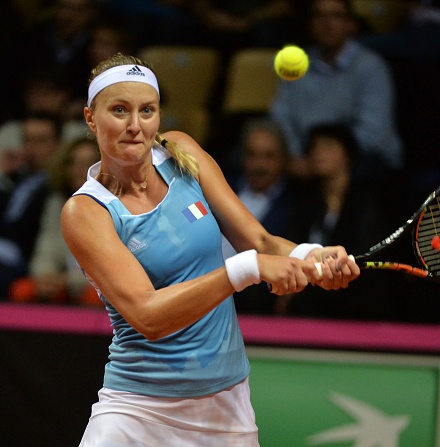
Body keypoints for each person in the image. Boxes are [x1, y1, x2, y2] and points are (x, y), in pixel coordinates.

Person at [62, 53, 359, 445]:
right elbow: (149, 317)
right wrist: (247, 269)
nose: (135, 126)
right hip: (137, 415)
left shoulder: (180, 152)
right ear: (90, 118)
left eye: (147, 110)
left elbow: (259, 240)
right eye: (119, 111)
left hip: (227, 408)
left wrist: (310, 255)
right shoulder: (86, 211)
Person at [281, 122, 405, 320]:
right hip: (309, 305)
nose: (318, 153)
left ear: (348, 155)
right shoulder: (305, 203)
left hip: (356, 305)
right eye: (314, 148)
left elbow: (370, 264)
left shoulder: (367, 202)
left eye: (328, 146)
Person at [269, 0, 404, 181]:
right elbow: (280, 117)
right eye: (320, 16)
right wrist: (295, 156)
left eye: (336, 16)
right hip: (305, 158)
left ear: (350, 24)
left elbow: (374, 134)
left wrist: (329, 157)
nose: (328, 23)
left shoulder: (371, 67)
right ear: (310, 23)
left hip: (362, 161)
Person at [8, 137, 101, 305]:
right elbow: (46, 249)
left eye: (88, 163)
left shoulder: (116, 206)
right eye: (73, 162)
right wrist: (45, 277)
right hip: (62, 281)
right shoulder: (56, 203)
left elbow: (108, 270)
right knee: (23, 290)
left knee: (94, 298)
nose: (80, 169)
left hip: (100, 286)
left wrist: (66, 281)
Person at [222, 118, 301, 314]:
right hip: (201, 294)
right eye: (252, 155)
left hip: (253, 311)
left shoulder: (296, 206)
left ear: (283, 159)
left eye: (268, 156)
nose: (259, 165)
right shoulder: (223, 190)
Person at [0, 113, 63, 298]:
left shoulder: (58, 186)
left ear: (58, 145)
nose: (31, 148)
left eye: (41, 141)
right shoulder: (15, 177)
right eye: (27, 140)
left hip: (22, 262)